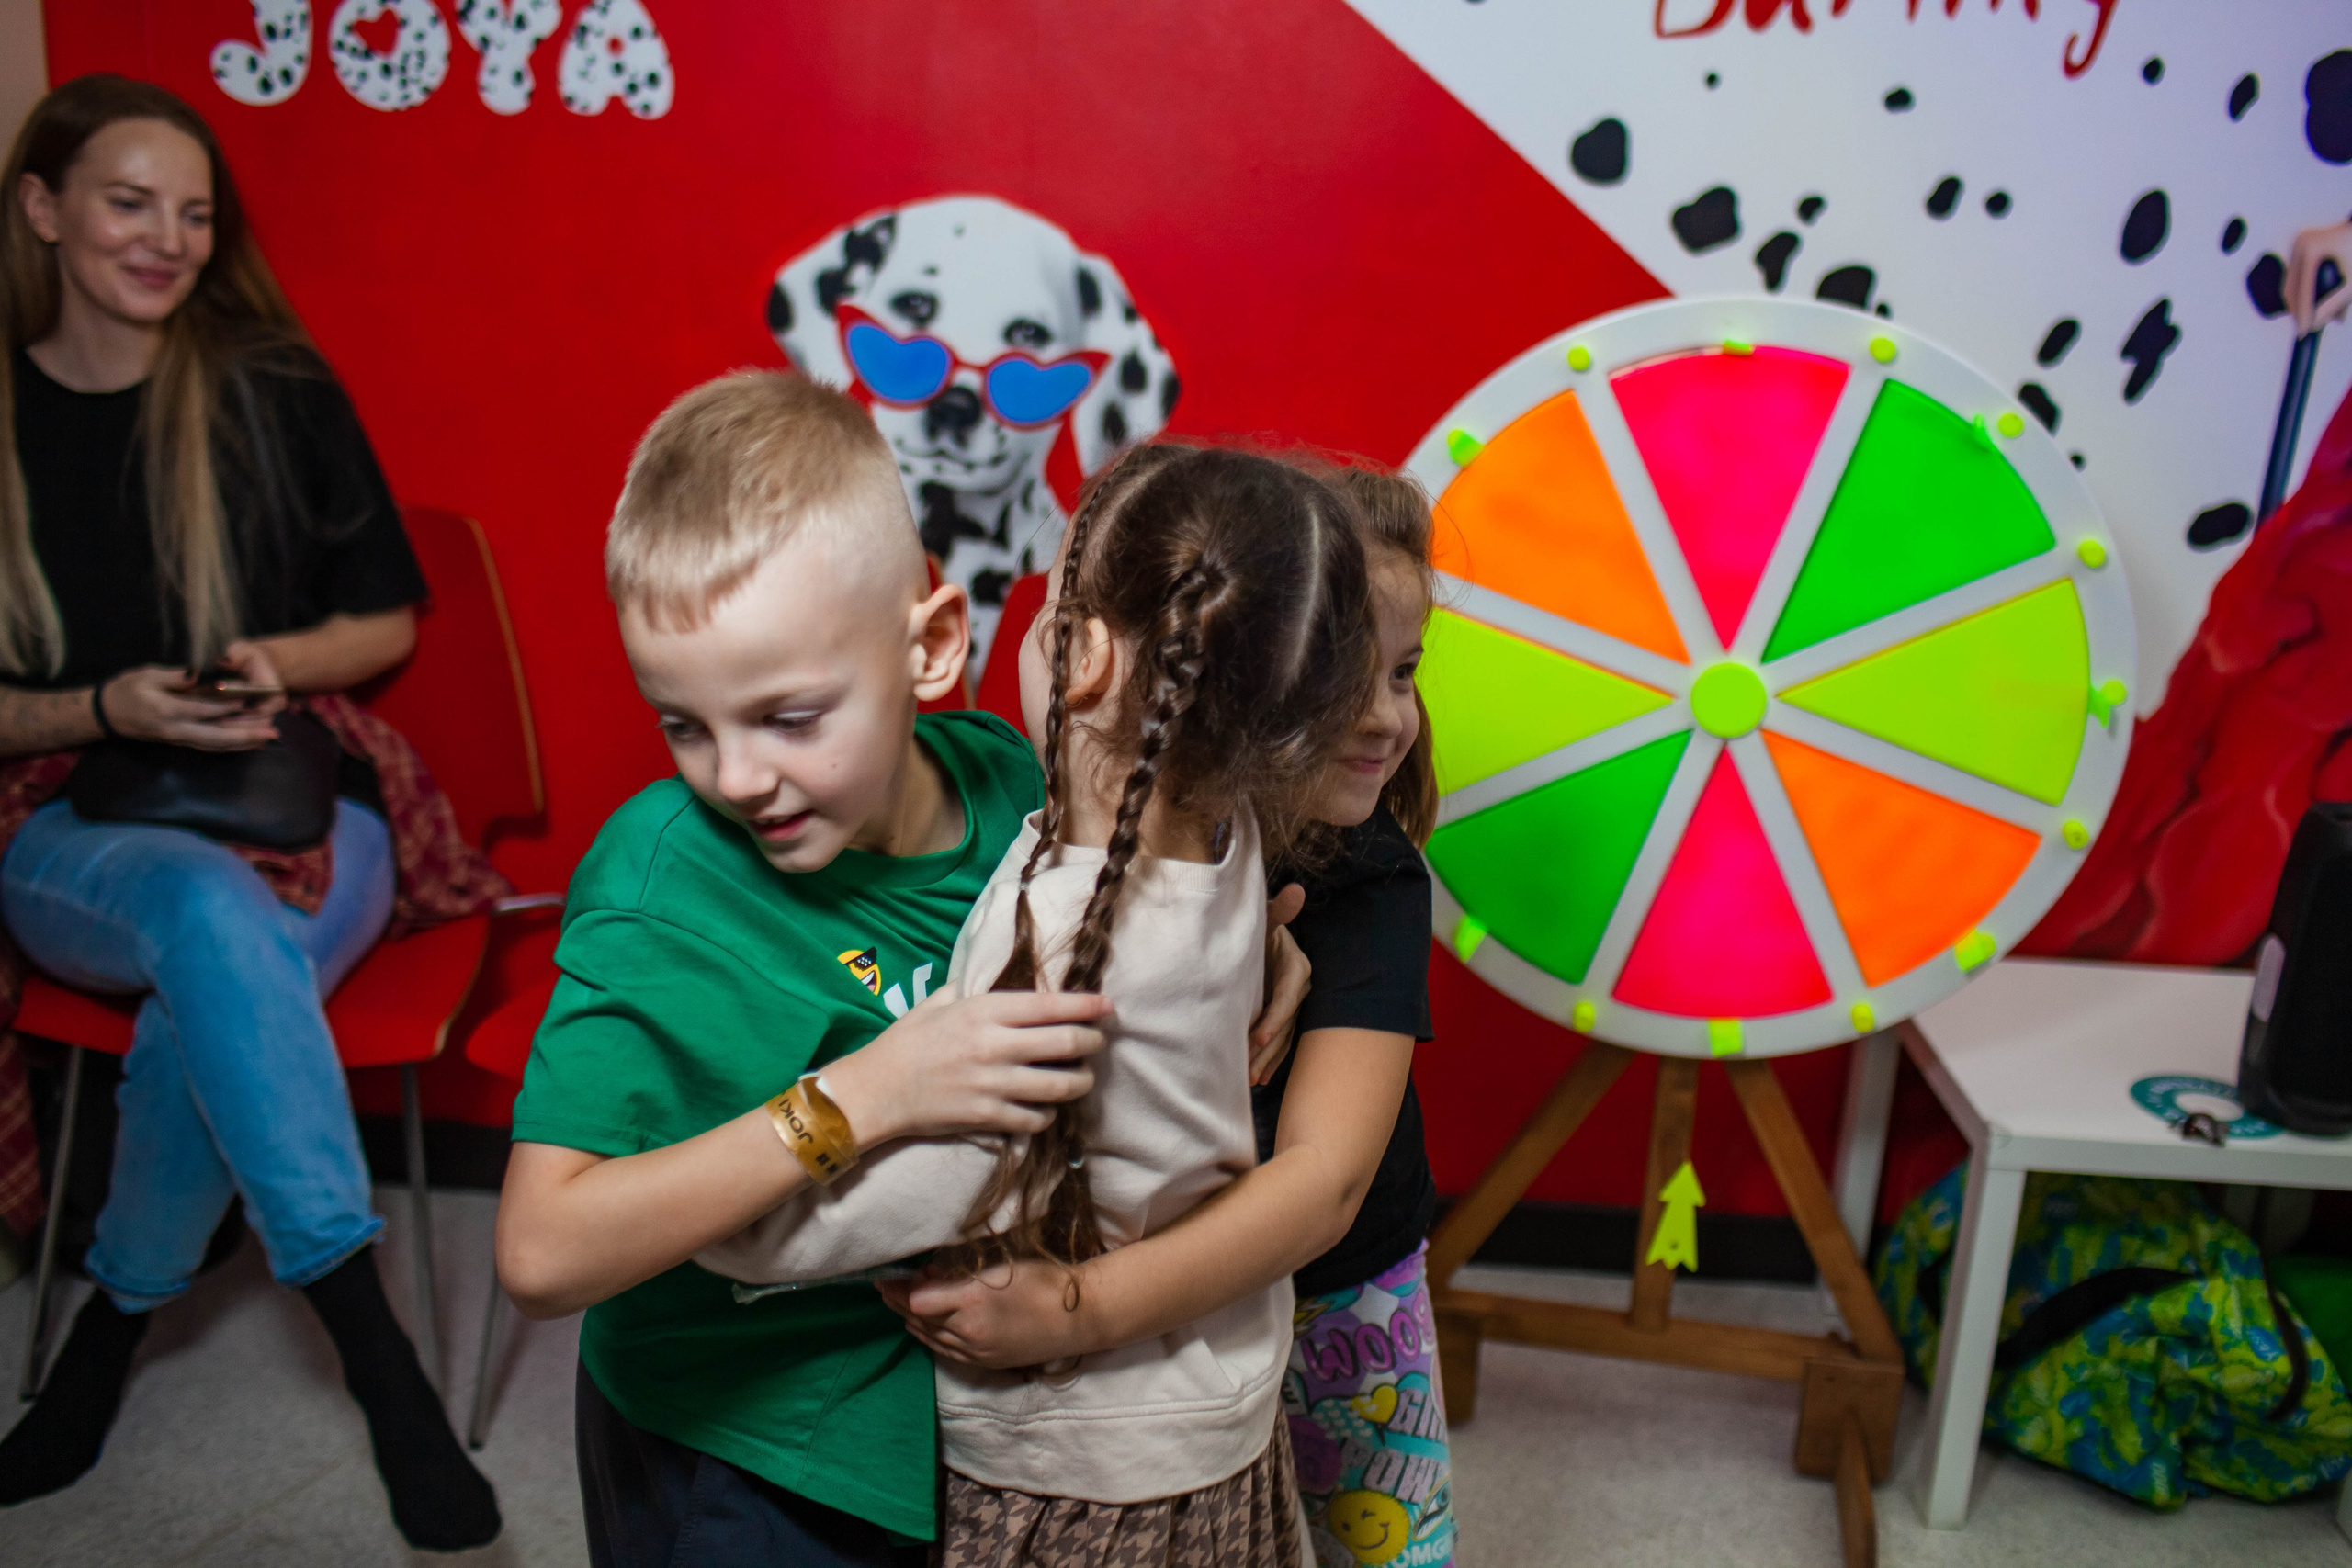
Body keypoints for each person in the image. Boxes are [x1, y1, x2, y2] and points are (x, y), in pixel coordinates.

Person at [698, 439, 1382, 1568]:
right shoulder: (1226, 834)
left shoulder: (1066, 951)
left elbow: (934, 1177)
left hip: (1081, 1471)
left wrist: (725, 1223)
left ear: (1086, 660)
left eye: (1044, 609)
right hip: (1209, 1407)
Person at [496, 370, 1123, 1568]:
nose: (734, 778)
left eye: (789, 717)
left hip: (960, 1421)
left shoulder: (1005, 777)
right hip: (738, 1447)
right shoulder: (660, 886)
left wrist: (1265, 949)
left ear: (931, 647)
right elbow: (540, 1251)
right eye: (683, 724)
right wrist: (863, 1096)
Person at [0, 75, 500, 1550]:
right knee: (207, 913)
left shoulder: (270, 382)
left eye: (195, 213)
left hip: (299, 797)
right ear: (43, 207)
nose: (167, 238)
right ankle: (376, 1349)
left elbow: (385, 618)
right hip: (77, 821)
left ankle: (103, 1338)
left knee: (206, 979)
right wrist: (107, 707)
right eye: (128, 202)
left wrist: (267, 665)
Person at [875, 461, 1452, 1568]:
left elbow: (1322, 1186)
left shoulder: (1370, 874)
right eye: (1344, 673)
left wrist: (1080, 1305)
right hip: (1164, 1336)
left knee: (1385, 1544)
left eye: (1405, 672)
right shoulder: (1165, 805)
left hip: (1336, 1294)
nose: (1387, 716)